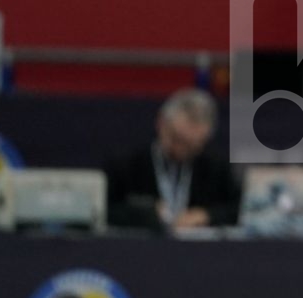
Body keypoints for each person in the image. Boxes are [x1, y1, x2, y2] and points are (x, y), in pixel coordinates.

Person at [103, 88, 240, 233]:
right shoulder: (127, 165)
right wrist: (143, 213)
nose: (181, 150)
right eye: (176, 139)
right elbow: (104, 209)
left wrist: (206, 216)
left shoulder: (216, 168)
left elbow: (239, 209)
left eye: (192, 145)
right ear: (161, 123)